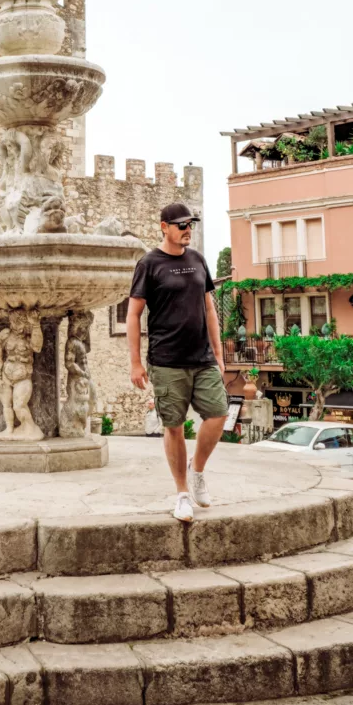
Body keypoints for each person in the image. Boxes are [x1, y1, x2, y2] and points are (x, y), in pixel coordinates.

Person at [128, 202, 227, 523]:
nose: (188, 230)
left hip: (203, 357)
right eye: (181, 224)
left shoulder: (198, 260)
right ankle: (182, 494)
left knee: (218, 414)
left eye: (191, 224)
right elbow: (133, 314)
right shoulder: (149, 263)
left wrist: (219, 352)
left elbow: (209, 309)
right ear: (164, 227)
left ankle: (197, 471)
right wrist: (135, 363)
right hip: (166, 360)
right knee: (173, 427)